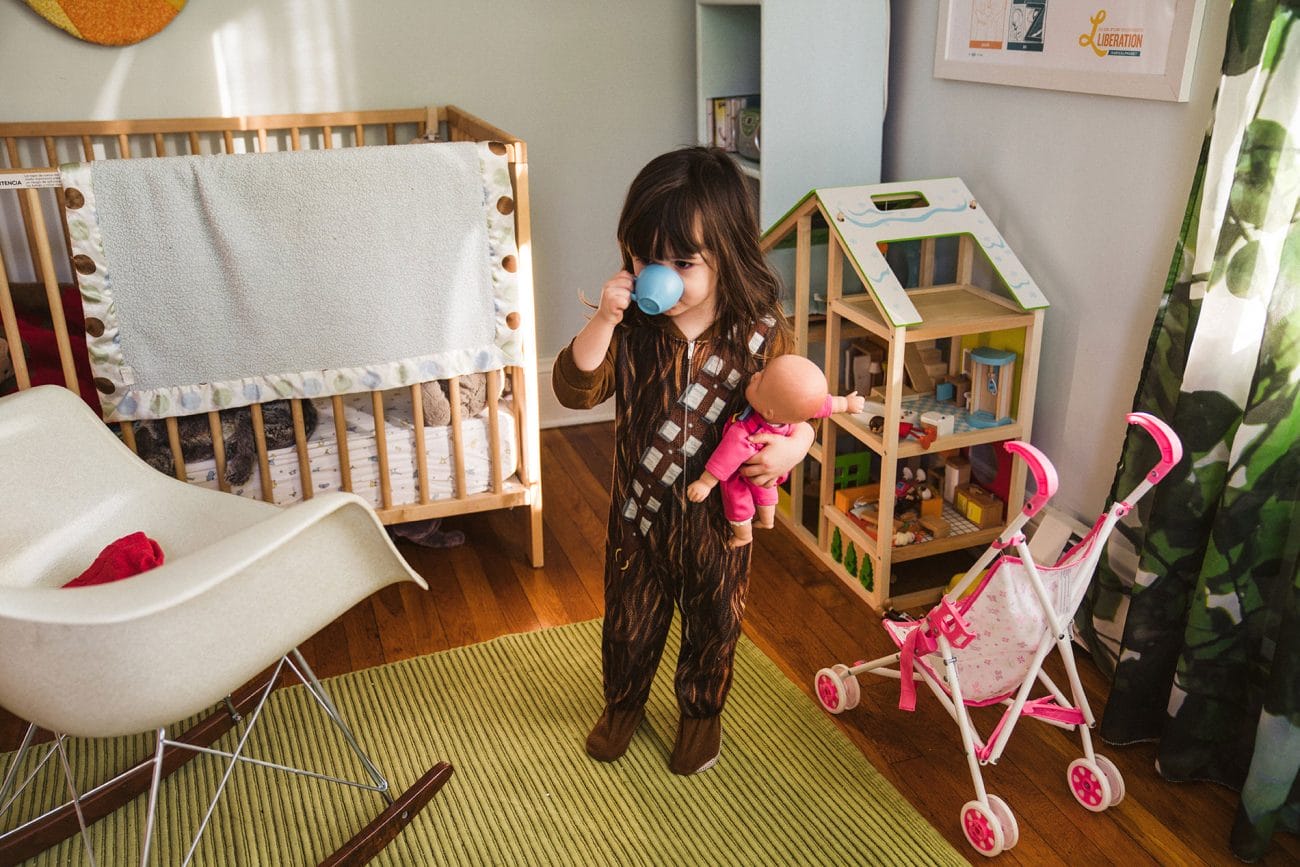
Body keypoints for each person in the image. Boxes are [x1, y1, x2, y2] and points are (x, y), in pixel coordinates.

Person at [551, 147, 813, 775]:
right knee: (628, 621)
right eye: (644, 258)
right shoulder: (633, 328)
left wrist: (791, 449)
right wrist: (603, 324)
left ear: (728, 255)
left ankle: (700, 715)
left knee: (714, 624)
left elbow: (797, 412)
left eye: (681, 262)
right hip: (638, 516)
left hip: (724, 523)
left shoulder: (760, 332)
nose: (657, 275)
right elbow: (574, 388)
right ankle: (623, 704)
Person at [687, 354, 865, 548]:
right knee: (766, 488)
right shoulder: (791, 412)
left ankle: (744, 535)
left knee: (736, 497)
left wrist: (705, 483)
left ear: (769, 412)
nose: (755, 375)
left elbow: (724, 459)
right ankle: (767, 520)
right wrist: (846, 404)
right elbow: (822, 406)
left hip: (744, 470)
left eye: (760, 380)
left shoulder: (745, 432)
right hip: (770, 467)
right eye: (762, 373)